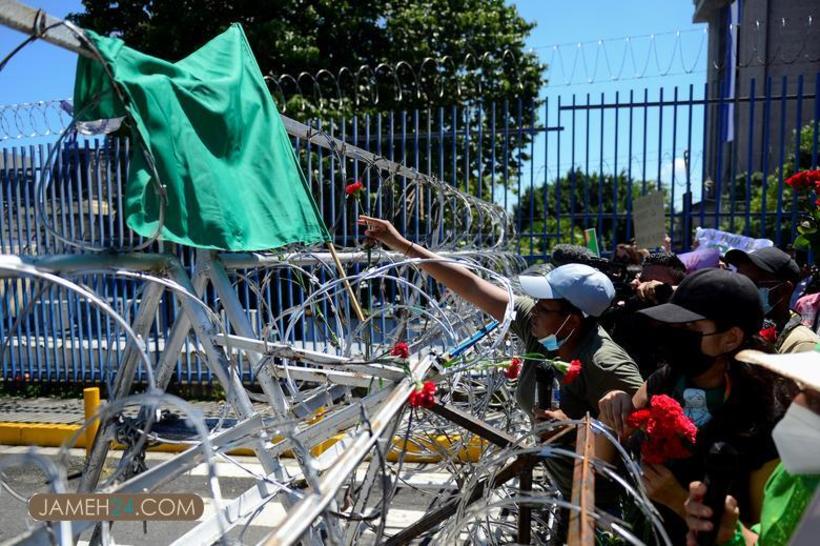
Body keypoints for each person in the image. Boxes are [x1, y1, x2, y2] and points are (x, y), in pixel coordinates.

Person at [358, 215, 643, 501]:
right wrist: (399, 243)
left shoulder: (604, 363)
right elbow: (471, 285)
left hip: (600, 508)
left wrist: (574, 430)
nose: (533, 311)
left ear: (571, 321)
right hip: (567, 494)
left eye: (543, 307)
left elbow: (641, 443)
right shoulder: (543, 330)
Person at [598, 268, 789, 544]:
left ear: (731, 338)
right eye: (673, 325)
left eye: (690, 327)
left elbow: (763, 535)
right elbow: (603, 457)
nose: (675, 335)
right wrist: (614, 404)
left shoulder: (764, 416)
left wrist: (679, 500)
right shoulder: (667, 379)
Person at [684, 349, 820, 546]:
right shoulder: (797, 469)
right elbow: (768, 539)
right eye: (799, 389)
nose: (796, 404)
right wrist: (729, 534)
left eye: (816, 402)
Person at [725, 247, 820, 353]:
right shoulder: (735, 331)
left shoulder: (803, 345)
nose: (741, 289)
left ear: (785, 289)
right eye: (739, 280)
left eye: (751, 283)